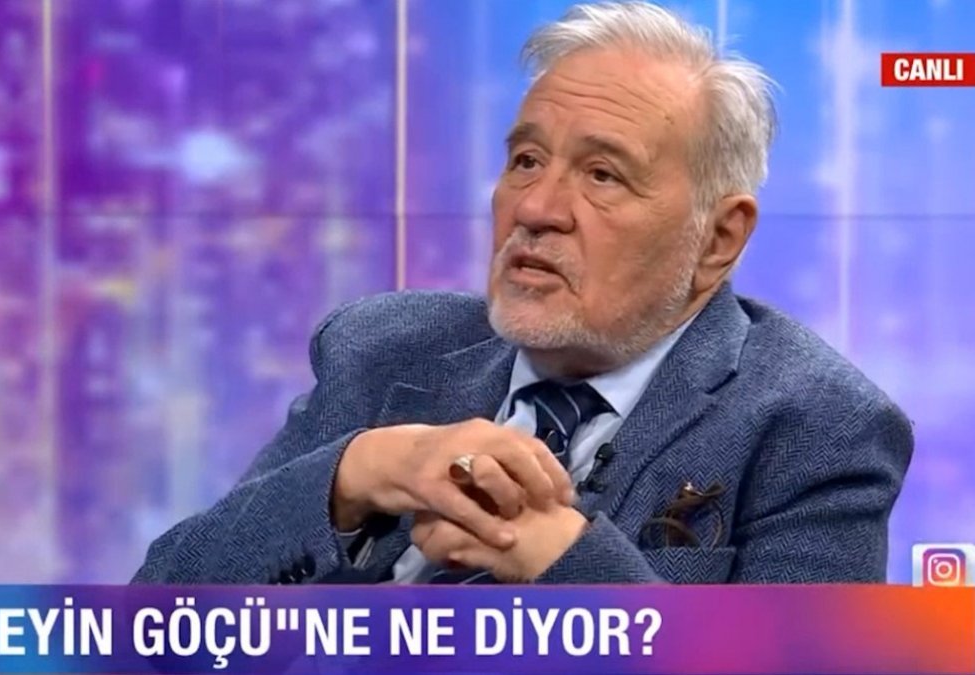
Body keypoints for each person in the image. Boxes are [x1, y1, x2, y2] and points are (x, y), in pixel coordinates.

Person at [132, 1, 913, 586]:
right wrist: (359, 472)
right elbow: (152, 626)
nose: (536, 208)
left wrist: (562, 558)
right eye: (527, 161)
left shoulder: (815, 425)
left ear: (718, 239)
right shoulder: (380, 352)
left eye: (602, 175)